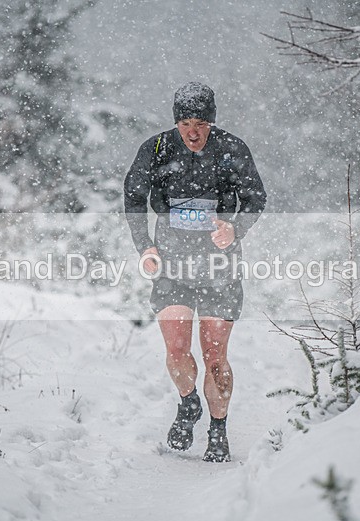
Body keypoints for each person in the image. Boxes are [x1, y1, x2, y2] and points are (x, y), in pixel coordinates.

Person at [123, 81, 266, 462]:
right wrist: (146, 246)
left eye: (201, 123)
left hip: (220, 265)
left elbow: (256, 197)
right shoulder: (156, 149)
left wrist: (235, 227)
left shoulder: (232, 149)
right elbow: (134, 198)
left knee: (215, 356)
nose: (193, 132)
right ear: (176, 122)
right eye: (185, 122)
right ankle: (189, 403)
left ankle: (218, 431)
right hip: (171, 265)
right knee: (177, 350)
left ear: (211, 122)